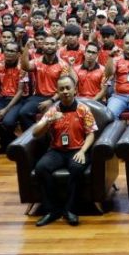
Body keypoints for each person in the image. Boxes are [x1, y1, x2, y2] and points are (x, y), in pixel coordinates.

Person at [30, 75, 97, 227]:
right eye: (61, 89)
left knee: (76, 168)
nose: (65, 91)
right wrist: (49, 121)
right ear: (57, 92)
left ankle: (70, 210)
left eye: (68, 88)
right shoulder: (52, 111)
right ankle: (52, 210)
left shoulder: (83, 109)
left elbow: (91, 134)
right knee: (41, 168)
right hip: (57, 151)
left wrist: (82, 151)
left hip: (77, 149)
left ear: (75, 90)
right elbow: (35, 133)